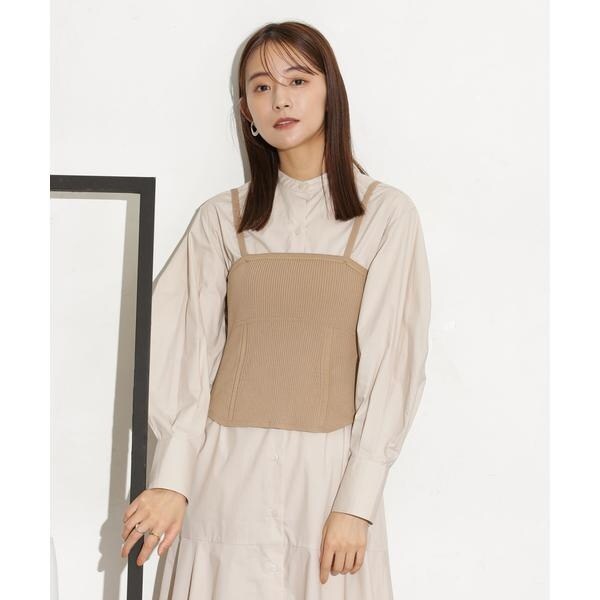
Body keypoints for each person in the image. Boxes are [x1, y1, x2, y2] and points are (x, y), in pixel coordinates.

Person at [121, 21, 431, 599]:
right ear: (246, 110)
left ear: (330, 91)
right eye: (261, 87)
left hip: (328, 483)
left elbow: (394, 364)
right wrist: (173, 480)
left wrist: (357, 503)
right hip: (223, 479)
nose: (280, 99)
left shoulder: (385, 215)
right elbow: (184, 351)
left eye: (297, 80)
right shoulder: (222, 219)